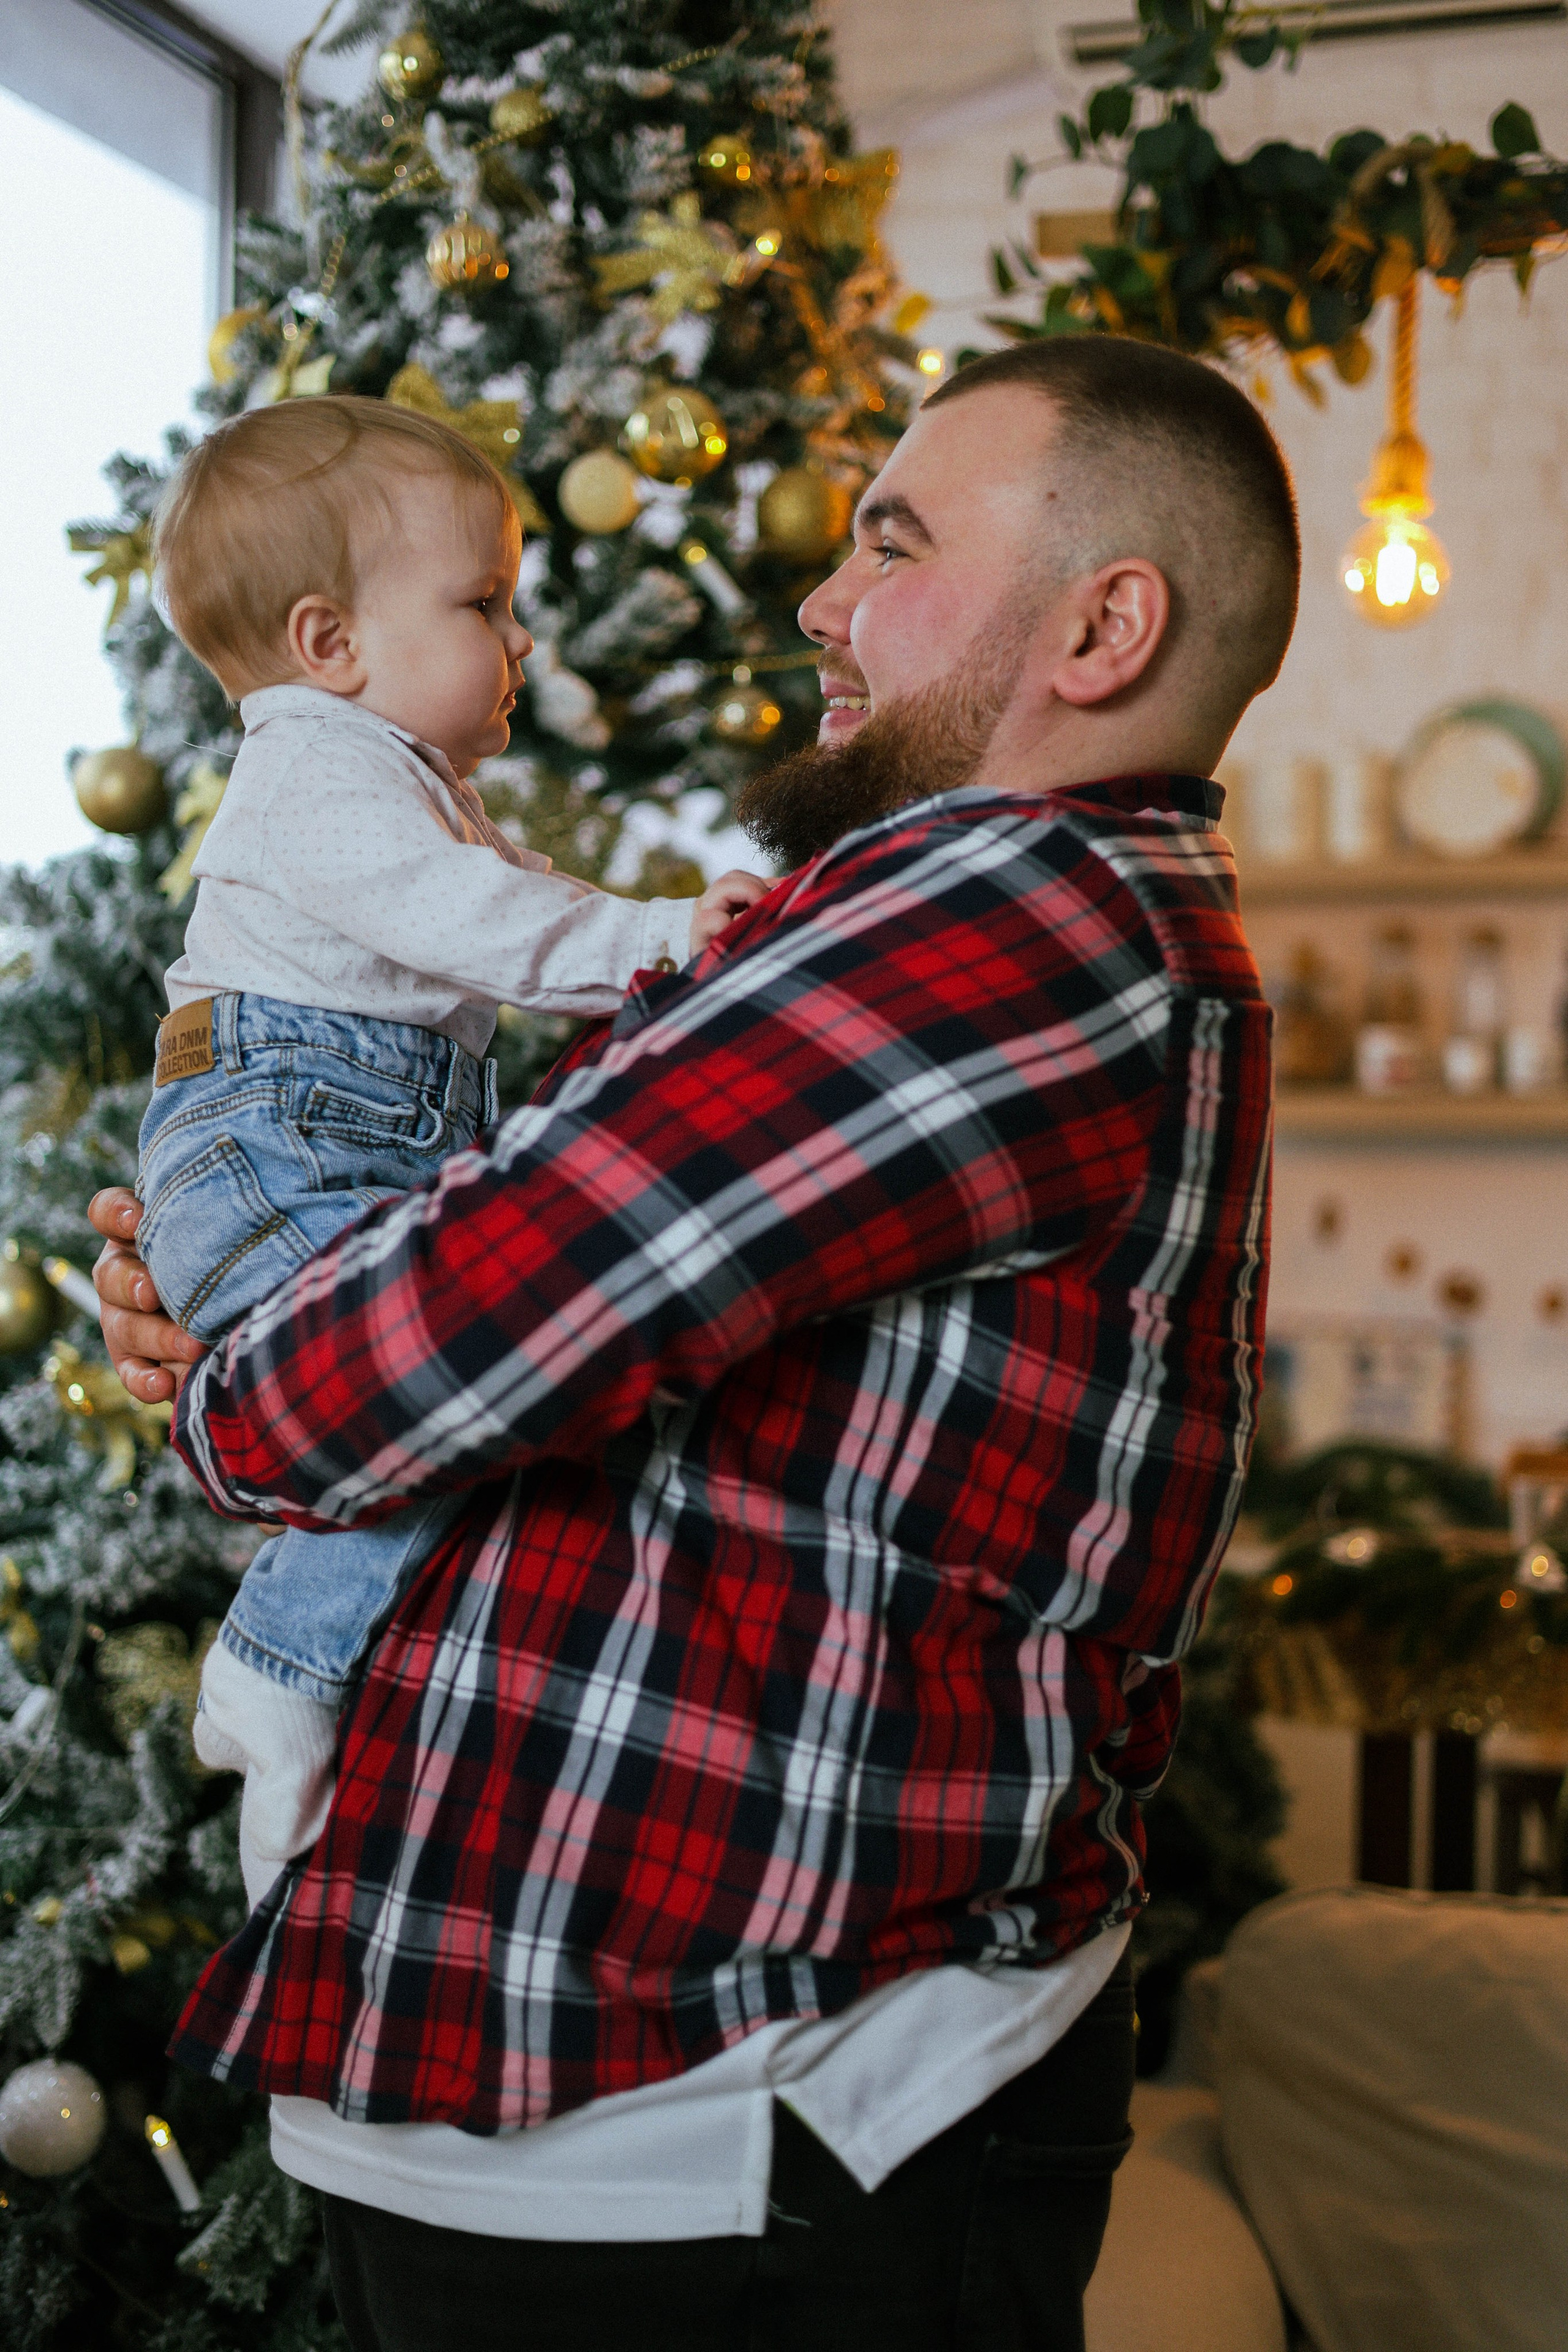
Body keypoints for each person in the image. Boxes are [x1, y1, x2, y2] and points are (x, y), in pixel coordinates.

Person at [91, 334, 1297, 2352]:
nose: (824, 601)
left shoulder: (996, 928)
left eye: (893, 545)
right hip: (622, 2115)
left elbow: (395, 1356)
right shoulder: (1001, 917)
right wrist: (279, 1337)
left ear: (1104, 625)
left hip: (718, 2138)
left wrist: (250, 1366)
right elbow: (480, 1319)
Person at [134, 396, 763, 1877]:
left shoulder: (397, 781)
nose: (520, 641)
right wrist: (662, 938)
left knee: (458, 1394)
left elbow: (494, 900)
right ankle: (280, 1667)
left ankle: (292, 1687)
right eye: (484, 603)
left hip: (326, 1134)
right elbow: (476, 925)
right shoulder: (315, 771)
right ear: (328, 644)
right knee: (434, 1386)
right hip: (278, 1136)